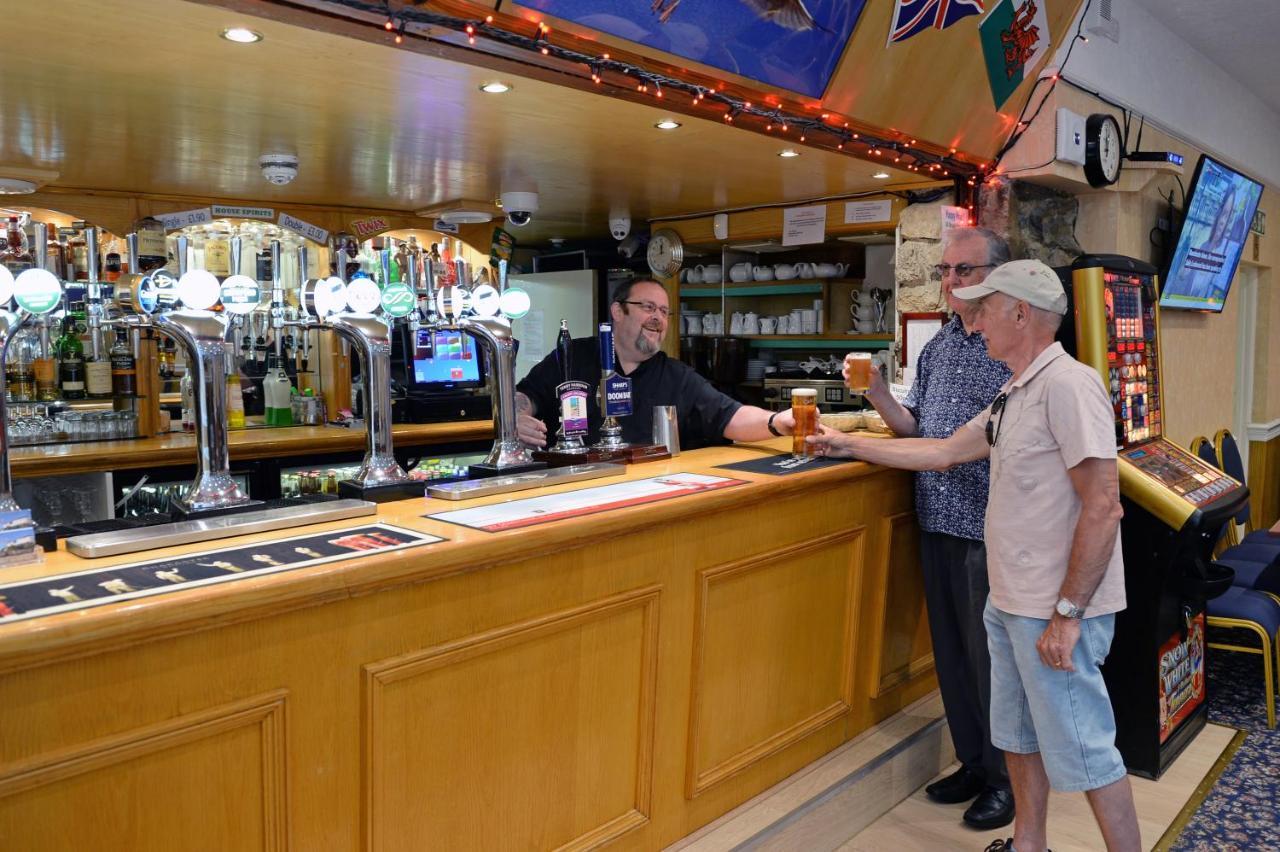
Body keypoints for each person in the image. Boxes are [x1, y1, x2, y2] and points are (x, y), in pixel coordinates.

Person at [814, 260, 1140, 852]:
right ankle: (1028, 843)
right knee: (1017, 735)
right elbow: (941, 453)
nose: (974, 319)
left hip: (1053, 609)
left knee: (1086, 747)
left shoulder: (1070, 385)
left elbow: (1104, 507)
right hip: (1010, 601)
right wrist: (845, 443)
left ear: (1021, 314)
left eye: (985, 307)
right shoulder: (1013, 391)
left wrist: (1067, 614)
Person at [854, 227, 1014, 830]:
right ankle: (973, 763)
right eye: (945, 270)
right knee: (951, 656)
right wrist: (875, 395)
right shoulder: (939, 346)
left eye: (964, 270)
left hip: (986, 528)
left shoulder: (1008, 346)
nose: (950, 282)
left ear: (997, 274)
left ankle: (1005, 779)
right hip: (935, 520)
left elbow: (966, 447)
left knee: (990, 662)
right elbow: (915, 428)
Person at [516, 278, 815, 449]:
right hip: (575, 489)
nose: (658, 318)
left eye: (664, 311)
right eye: (647, 307)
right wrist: (516, 418)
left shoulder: (676, 376)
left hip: (646, 491)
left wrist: (778, 422)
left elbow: (729, 416)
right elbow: (524, 397)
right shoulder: (572, 356)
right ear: (618, 312)